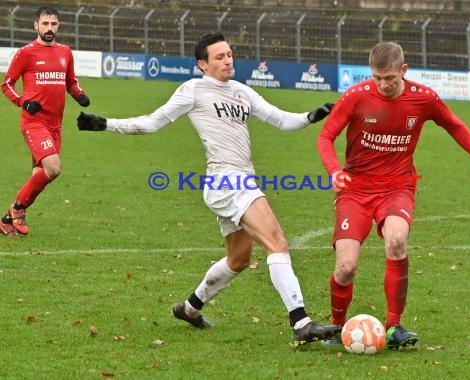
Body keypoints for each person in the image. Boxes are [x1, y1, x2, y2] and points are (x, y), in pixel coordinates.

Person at [75, 32, 340, 346]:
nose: (228, 60)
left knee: (239, 259)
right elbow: (152, 123)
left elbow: (281, 120)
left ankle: (189, 308)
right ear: (202, 64)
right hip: (228, 182)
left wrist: (310, 117)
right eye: (219, 57)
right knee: (278, 243)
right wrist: (105, 123)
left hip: (238, 182)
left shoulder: (242, 91)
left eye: (229, 54)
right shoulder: (193, 90)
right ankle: (301, 323)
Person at [317, 41, 470, 349]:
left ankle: (393, 327)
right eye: (377, 78)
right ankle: (338, 327)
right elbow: (326, 135)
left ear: (403, 71)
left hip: (397, 187)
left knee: (396, 241)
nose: (383, 84)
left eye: (390, 78)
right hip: (355, 190)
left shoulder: (423, 99)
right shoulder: (356, 96)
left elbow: (455, 126)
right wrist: (333, 170)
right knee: (346, 266)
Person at [0, 6, 90, 236]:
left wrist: (78, 94)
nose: (49, 28)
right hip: (33, 122)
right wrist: (23, 102)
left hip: (55, 124)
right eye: (45, 24)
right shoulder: (26, 53)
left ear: (58, 25)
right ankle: (17, 209)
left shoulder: (65, 52)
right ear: (36, 25)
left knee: (40, 175)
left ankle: (7, 220)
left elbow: (71, 81)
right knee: (53, 168)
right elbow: (7, 84)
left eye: (54, 24)